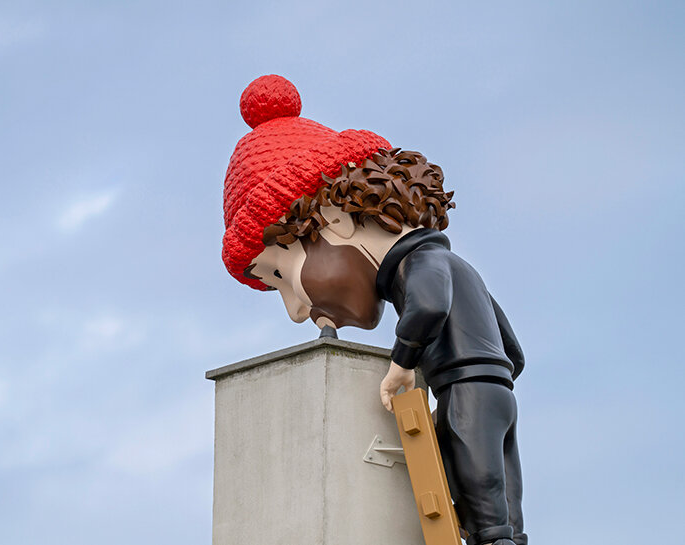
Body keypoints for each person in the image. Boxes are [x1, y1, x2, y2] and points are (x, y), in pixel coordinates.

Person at [222, 74, 528, 545]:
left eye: (280, 275)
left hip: (463, 392)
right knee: (503, 496)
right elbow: (514, 350)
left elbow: (427, 307)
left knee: (478, 495)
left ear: (335, 221)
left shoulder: (421, 264)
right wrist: (494, 378)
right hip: (498, 392)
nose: (296, 312)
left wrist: (403, 366)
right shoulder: (457, 264)